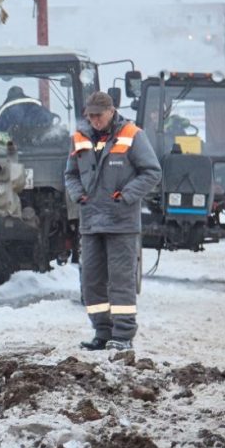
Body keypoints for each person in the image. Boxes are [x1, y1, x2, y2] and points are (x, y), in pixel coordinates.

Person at [65, 91, 161, 351]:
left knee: (121, 280)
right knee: (92, 281)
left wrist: (127, 195)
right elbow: (70, 175)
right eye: (91, 115)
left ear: (111, 111)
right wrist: (78, 195)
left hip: (121, 222)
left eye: (99, 115)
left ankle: (123, 336)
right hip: (91, 221)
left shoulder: (132, 134)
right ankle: (102, 333)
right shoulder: (79, 138)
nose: (95, 120)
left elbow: (152, 172)